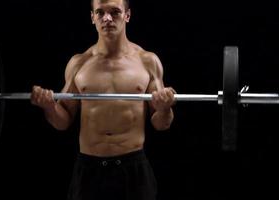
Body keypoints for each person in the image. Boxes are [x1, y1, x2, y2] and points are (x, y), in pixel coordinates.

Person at [30, 0, 176, 199]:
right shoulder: (78, 63)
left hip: (133, 169)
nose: (107, 18)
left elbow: (161, 124)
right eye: (100, 12)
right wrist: (49, 107)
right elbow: (63, 122)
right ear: (92, 17)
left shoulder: (147, 61)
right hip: (89, 170)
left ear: (127, 15)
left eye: (115, 12)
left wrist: (165, 108)